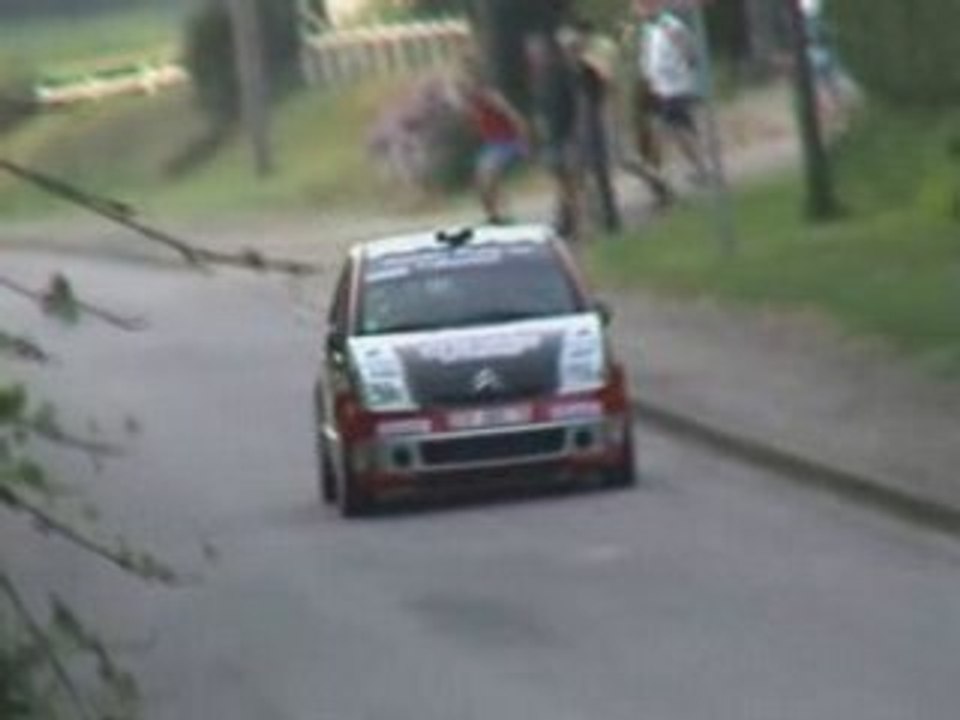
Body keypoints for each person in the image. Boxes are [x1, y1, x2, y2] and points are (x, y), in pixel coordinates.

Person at [634, 0, 710, 187]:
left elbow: (689, 51)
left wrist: (686, 64)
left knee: (673, 128)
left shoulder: (669, 24)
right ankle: (693, 167)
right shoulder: (648, 29)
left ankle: (664, 171)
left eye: (640, 7)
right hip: (658, 86)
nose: (637, 11)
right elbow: (649, 56)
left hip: (674, 87)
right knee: (670, 127)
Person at [560, 21, 623, 233]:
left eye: (572, 46)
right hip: (577, 123)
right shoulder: (569, 69)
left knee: (598, 171)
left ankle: (609, 218)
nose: (569, 51)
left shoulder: (589, 64)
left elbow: (607, 81)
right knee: (576, 172)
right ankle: (579, 219)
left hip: (593, 120)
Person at [525, 33, 584, 242]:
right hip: (552, 137)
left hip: (566, 134)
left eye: (537, 53)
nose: (534, 57)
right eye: (532, 54)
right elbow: (540, 110)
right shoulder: (538, 78)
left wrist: (576, 131)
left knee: (570, 182)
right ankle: (566, 219)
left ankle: (575, 223)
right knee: (561, 181)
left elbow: (575, 103)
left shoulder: (561, 73)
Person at [458, 60, 530, 224]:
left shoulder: (490, 96)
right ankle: (493, 216)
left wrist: (524, 142)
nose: (466, 87)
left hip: (507, 142)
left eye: (468, 83)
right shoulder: (473, 102)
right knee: (481, 180)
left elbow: (514, 117)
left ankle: (501, 213)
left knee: (489, 176)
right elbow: (473, 120)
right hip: (492, 145)